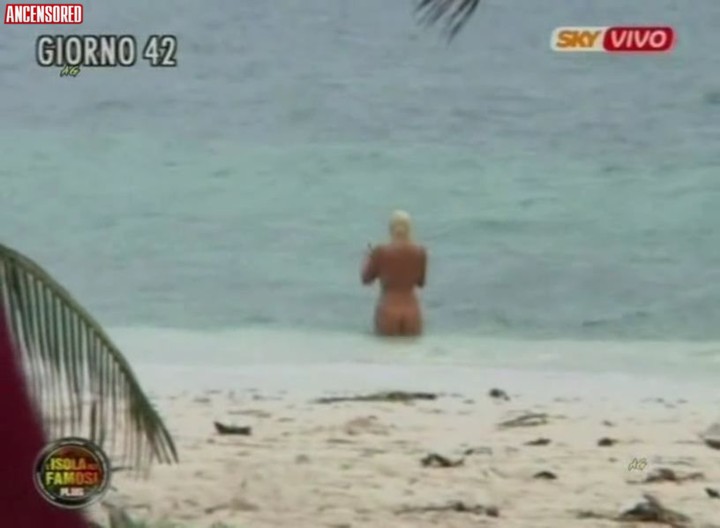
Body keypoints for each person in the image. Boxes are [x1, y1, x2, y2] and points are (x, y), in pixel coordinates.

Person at [361, 210, 427, 336]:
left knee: (385, 347)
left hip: (388, 310)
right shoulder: (420, 252)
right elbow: (421, 283)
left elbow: (366, 279)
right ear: (409, 229)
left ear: (391, 229)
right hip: (412, 312)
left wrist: (369, 257)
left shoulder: (380, 251)